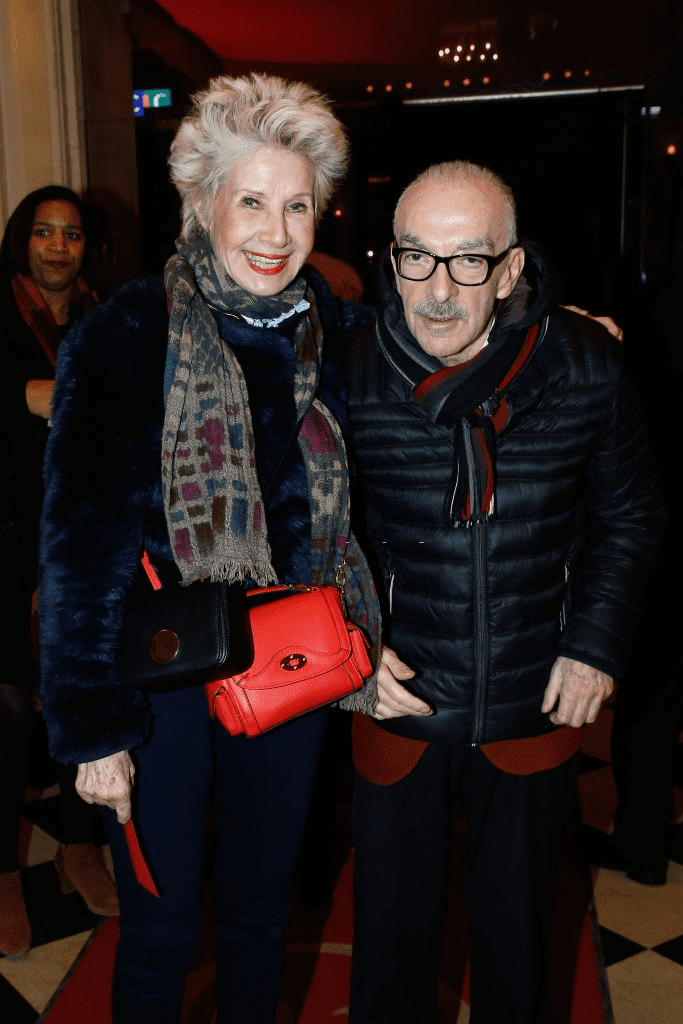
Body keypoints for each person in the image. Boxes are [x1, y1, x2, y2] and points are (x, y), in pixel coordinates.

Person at [38, 75, 379, 1024]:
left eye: (298, 204)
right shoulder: (125, 335)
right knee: (158, 921)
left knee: (261, 912)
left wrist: (565, 334)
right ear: (202, 204)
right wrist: (91, 730)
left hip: (293, 664)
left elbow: (456, 342)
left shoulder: (341, 334)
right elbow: (76, 545)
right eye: (252, 201)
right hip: (156, 686)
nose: (276, 232)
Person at [344, 160, 664, 1024]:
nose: (438, 290)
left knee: (519, 944)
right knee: (388, 948)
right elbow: (304, 529)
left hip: (535, 697)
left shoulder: (584, 362)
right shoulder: (344, 368)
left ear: (513, 269)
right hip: (396, 697)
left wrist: (594, 642)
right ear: (390, 259)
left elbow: (631, 515)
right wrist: (348, 645)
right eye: (416, 257)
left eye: (468, 261)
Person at [0, 186, 119, 958]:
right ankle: (3, 875)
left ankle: (80, 843)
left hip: (81, 536)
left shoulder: (105, 317)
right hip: (5, 536)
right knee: (8, 712)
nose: (56, 246)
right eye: (43, 232)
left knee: (86, 695)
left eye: (70, 234)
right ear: (22, 240)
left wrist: (55, 399)